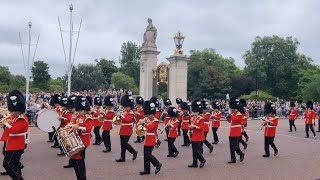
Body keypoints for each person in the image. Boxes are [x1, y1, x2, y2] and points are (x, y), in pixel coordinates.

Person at [1, 90, 29, 180]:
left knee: (7, 164)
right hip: (13, 143)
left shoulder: (22, 118)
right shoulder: (15, 116)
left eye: (14, 110)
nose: (12, 112)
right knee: (15, 164)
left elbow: (14, 130)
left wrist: (6, 124)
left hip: (17, 144)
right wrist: (7, 122)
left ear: (18, 109)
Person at [69, 95, 93, 180]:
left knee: (79, 161)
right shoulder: (78, 116)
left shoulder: (87, 117)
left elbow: (89, 129)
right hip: (77, 141)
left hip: (83, 142)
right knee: (76, 161)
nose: (79, 112)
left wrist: (78, 127)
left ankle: (82, 178)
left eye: (81, 110)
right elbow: (72, 124)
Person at [139, 100, 162, 175]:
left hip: (152, 138)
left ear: (152, 114)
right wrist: (141, 125)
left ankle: (157, 163)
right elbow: (145, 128)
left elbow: (150, 127)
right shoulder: (148, 119)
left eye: (149, 114)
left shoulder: (155, 121)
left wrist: (144, 123)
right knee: (146, 155)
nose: (147, 116)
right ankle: (147, 170)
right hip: (147, 138)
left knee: (149, 154)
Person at [116, 95, 138, 162]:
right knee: (122, 144)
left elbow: (127, 120)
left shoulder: (131, 113)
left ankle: (134, 152)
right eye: (124, 107)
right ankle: (122, 157)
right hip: (123, 129)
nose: (125, 108)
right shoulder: (124, 112)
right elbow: (120, 121)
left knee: (125, 143)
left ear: (130, 107)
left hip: (128, 129)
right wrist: (119, 117)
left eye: (126, 107)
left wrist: (122, 115)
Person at [188, 100, 206, 168]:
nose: (194, 112)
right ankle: (194, 163)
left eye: (195, 111)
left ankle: (202, 160)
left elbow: (201, 128)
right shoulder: (193, 118)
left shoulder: (201, 118)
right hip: (194, 135)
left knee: (196, 150)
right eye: (193, 111)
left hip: (199, 136)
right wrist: (191, 127)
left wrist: (194, 127)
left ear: (198, 111)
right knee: (194, 151)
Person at [227, 97, 245, 164]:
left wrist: (230, 115)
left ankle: (241, 154)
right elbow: (230, 121)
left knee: (235, 145)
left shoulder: (239, 114)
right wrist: (228, 117)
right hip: (232, 131)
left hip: (237, 131)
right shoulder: (233, 114)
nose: (231, 109)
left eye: (232, 108)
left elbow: (235, 119)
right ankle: (233, 159)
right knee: (231, 146)